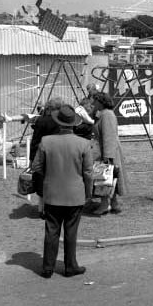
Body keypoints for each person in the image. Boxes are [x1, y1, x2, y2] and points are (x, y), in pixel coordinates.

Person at [30, 104, 92, 279]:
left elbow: (36, 167)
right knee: (71, 231)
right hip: (75, 194)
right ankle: (70, 266)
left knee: (51, 230)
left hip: (52, 193)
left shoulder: (46, 141)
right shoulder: (84, 144)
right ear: (74, 123)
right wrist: (88, 193)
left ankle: (47, 267)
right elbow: (88, 173)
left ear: (58, 122)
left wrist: (50, 177)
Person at [91, 92, 128, 215]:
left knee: (105, 177)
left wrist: (107, 156)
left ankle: (104, 204)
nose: (93, 103)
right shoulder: (102, 114)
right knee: (109, 178)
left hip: (108, 152)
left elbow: (109, 136)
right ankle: (113, 203)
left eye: (95, 101)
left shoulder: (107, 115)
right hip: (105, 151)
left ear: (101, 102)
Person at [29, 98, 63, 162]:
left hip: (45, 154)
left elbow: (35, 141)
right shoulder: (65, 120)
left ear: (49, 109)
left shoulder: (42, 121)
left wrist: (32, 159)